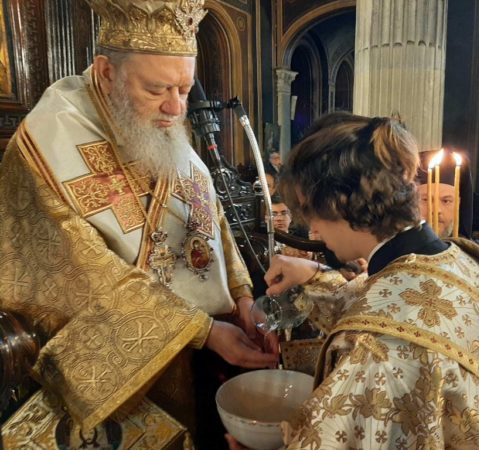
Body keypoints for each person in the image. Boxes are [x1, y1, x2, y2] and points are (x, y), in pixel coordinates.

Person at [0, 1, 278, 448]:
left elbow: (210, 221)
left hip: (207, 350)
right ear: (106, 72)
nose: (175, 107)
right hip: (125, 369)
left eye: (184, 89)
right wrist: (202, 331)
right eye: (156, 89)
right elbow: (84, 271)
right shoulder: (50, 142)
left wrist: (242, 298)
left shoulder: (158, 122)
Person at [231, 113, 479, 448]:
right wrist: (314, 275)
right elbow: (395, 305)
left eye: (309, 211)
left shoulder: (376, 349)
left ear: (337, 203)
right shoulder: (469, 262)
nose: (313, 227)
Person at [416, 149, 473, 238]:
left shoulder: (464, 247)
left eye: (446, 201)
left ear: (458, 203)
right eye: (426, 199)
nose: (436, 210)